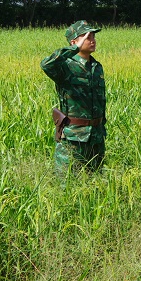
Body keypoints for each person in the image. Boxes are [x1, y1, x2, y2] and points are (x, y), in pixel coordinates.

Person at [40, 20, 106, 175]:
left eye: (93, 36)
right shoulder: (65, 66)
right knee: (68, 183)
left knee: (95, 181)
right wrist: (74, 49)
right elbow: (46, 64)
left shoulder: (97, 67)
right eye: (87, 36)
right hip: (73, 137)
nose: (92, 40)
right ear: (74, 41)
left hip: (96, 135)